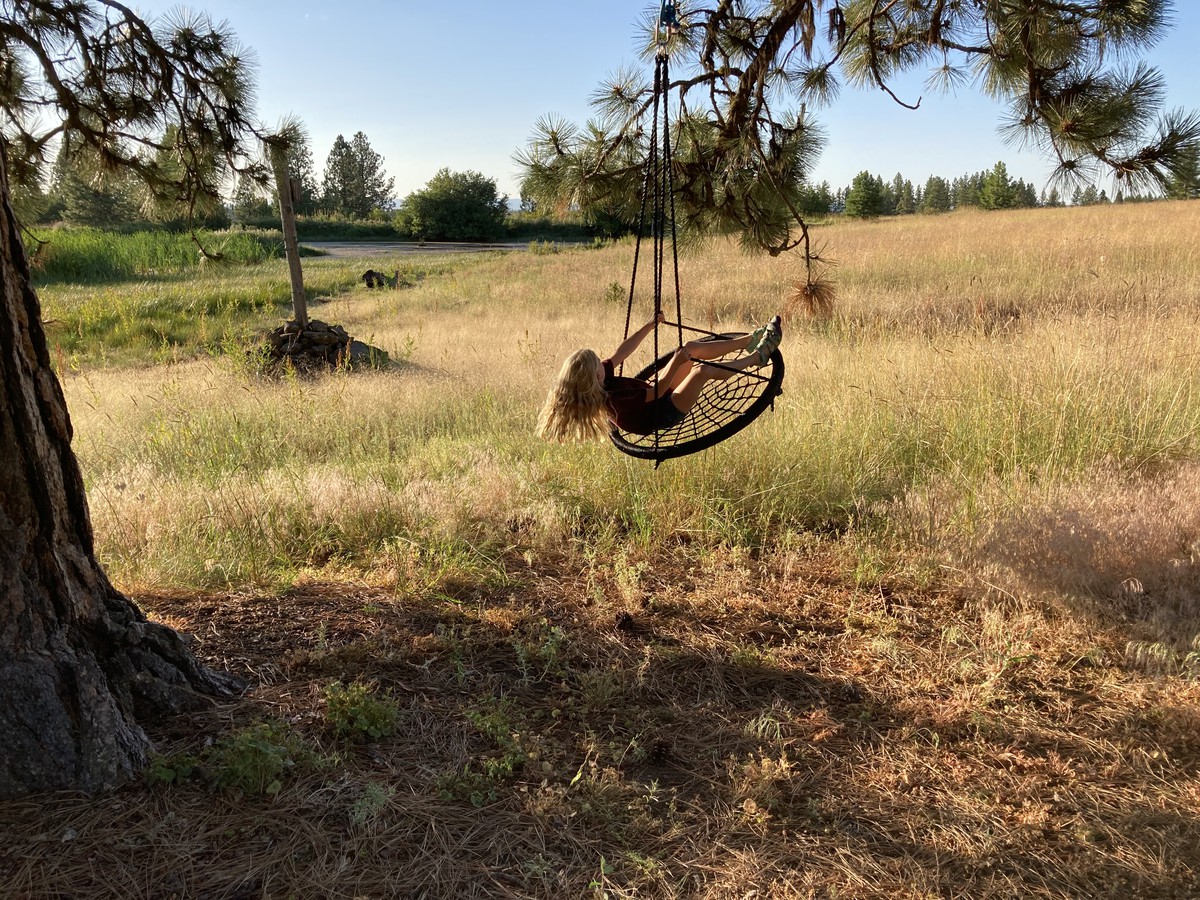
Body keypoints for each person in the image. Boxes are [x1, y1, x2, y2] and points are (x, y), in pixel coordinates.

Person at [537, 312, 782, 441]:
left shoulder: (602, 378)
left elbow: (622, 351)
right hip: (661, 413)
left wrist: (649, 325)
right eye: (598, 366)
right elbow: (658, 391)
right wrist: (676, 362)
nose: (603, 363)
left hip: (655, 395)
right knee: (700, 370)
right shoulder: (615, 400)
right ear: (593, 380)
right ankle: (757, 358)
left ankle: (749, 340)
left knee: (690, 348)